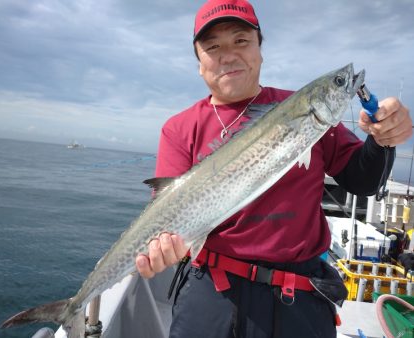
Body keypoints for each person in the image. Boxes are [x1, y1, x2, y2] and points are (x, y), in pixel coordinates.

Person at [135, 0, 413, 337]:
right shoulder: (179, 129)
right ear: (199, 62)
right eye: (213, 47)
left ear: (259, 50)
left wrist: (383, 138)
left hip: (298, 298)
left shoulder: (300, 108)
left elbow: (364, 181)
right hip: (210, 291)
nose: (228, 55)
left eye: (241, 41)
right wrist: (162, 247)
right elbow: (168, 210)